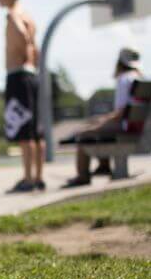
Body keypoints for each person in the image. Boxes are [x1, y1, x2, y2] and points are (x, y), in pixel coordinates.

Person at [62, 47, 144, 188]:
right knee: (95, 123)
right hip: (138, 126)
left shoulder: (124, 80)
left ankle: (82, 176)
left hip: (127, 127)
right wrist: (101, 121)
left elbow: (119, 114)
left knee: (83, 133)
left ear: (119, 63)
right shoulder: (139, 79)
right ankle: (103, 166)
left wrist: (99, 124)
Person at [0, 0, 46, 193]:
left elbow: (23, 37)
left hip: (18, 76)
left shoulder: (13, 16)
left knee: (24, 130)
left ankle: (28, 178)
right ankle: (38, 177)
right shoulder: (28, 16)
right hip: (31, 75)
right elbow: (36, 47)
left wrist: (22, 50)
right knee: (36, 131)